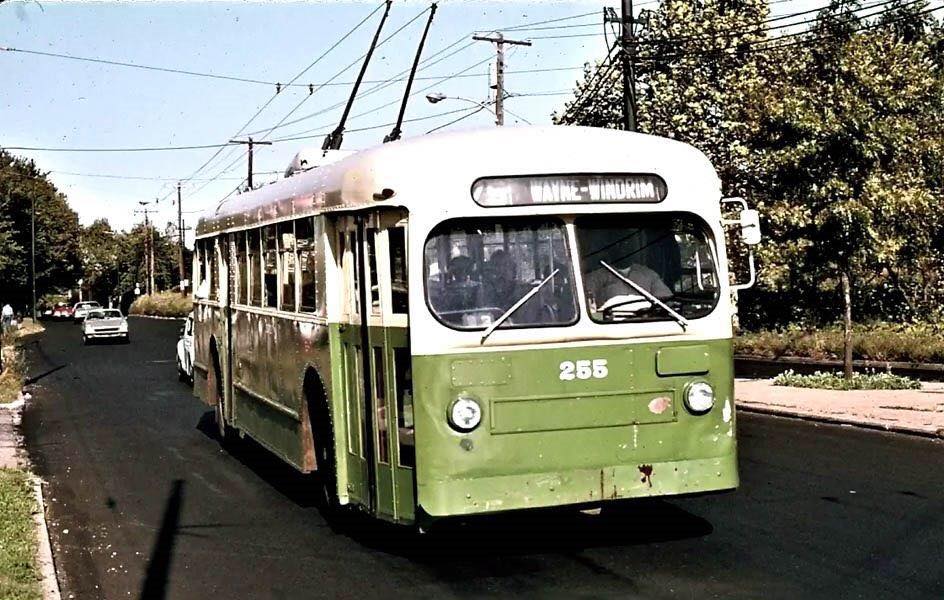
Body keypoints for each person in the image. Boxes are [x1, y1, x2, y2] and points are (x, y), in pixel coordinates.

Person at [584, 262, 672, 312]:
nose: (624, 248)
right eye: (620, 244)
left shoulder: (648, 274)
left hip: (645, 323)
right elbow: (588, 307)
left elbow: (667, 302)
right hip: (609, 326)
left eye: (630, 243)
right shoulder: (596, 276)